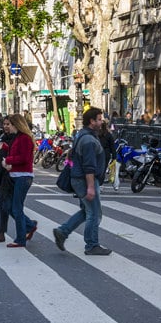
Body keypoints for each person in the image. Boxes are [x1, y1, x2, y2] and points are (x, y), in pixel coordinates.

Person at [54, 107, 112, 256]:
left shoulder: (83, 135)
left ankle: (63, 231)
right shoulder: (88, 139)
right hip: (85, 180)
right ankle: (92, 245)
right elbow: (89, 166)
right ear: (92, 121)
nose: (102, 122)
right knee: (94, 213)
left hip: (80, 179)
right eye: (99, 119)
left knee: (87, 211)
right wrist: (91, 187)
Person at [0, 114, 38, 247]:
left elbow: (24, 158)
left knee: (16, 208)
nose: (7, 127)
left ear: (16, 125)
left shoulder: (25, 138)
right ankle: (29, 225)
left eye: (9, 124)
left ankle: (20, 239)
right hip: (15, 175)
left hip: (23, 176)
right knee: (8, 206)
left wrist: (8, 160)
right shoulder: (16, 138)